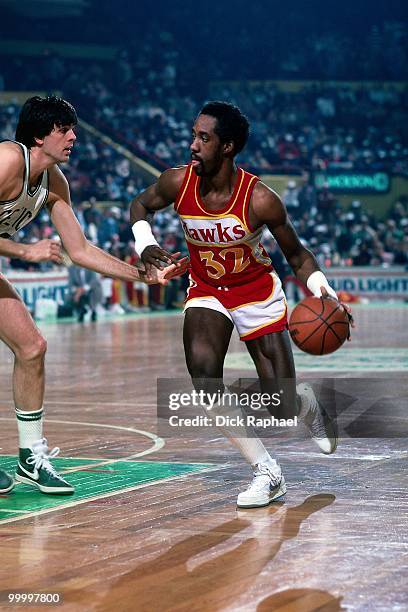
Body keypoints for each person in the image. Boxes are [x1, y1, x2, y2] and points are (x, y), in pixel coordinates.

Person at [130, 101, 353, 508]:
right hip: (208, 289)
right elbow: (139, 205)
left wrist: (326, 293)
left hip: (256, 292)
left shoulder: (260, 199)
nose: (193, 145)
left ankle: (305, 403)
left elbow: (299, 256)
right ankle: (267, 471)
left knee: (281, 407)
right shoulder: (176, 182)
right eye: (193, 134)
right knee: (203, 376)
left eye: (204, 137)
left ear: (228, 146)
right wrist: (145, 245)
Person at [0, 96, 188, 497]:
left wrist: (143, 275)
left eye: (73, 129)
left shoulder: (54, 182)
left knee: (32, 347)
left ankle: (31, 457)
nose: (73, 136)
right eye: (62, 129)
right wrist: (23, 251)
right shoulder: (8, 161)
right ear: (37, 135)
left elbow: (80, 250)